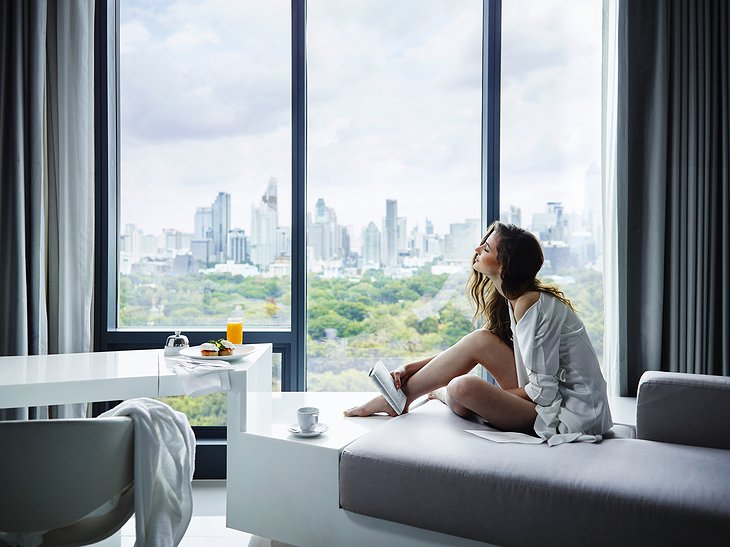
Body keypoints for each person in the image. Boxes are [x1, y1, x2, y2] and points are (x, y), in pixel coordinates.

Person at [344, 221, 613, 445]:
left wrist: (479, 395)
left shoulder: (529, 304)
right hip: (551, 399)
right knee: (480, 344)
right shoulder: (514, 298)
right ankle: (398, 398)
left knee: (463, 387)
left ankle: (427, 395)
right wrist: (411, 367)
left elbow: (543, 393)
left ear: (503, 265)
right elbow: (467, 349)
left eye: (486, 248)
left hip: (570, 415)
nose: (476, 250)